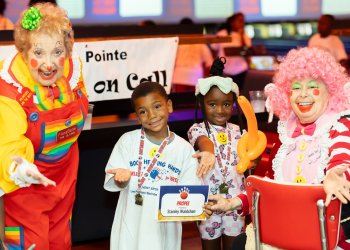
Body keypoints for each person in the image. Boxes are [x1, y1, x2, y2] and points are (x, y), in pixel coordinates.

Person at [206, 47, 350, 249]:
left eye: (313, 87)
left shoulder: (340, 125)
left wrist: (337, 174)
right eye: (296, 88)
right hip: (285, 226)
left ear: (331, 92)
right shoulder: (287, 132)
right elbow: (268, 186)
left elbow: (343, 158)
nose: (303, 95)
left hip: (326, 233)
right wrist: (232, 203)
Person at [0, 3, 89, 249]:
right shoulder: (10, 87)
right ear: (23, 50)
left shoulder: (73, 70)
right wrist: (19, 170)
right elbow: (7, 143)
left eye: (56, 51)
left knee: (61, 242)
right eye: (38, 52)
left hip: (65, 178)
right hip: (26, 190)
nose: (48, 64)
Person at [104, 81, 201, 250]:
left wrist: (193, 205)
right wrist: (121, 179)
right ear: (137, 115)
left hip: (164, 235)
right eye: (143, 111)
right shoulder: (127, 141)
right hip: (129, 233)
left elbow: (190, 195)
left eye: (157, 106)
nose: (152, 115)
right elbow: (115, 182)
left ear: (169, 105)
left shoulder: (185, 150)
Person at [187, 57, 246, 250]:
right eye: (212, 104)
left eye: (226, 104)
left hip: (234, 201)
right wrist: (209, 153)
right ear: (202, 104)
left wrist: (251, 160)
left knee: (234, 246)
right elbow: (203, 142)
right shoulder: (197, 129)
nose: (220, 110)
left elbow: (248, 159)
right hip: (208, 202)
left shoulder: (239, 131)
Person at [211, 12, 252, 90]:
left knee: (238, 94)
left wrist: (242, 36)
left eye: (243, 21)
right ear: (231, 22)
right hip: (225, 71)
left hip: (241, 70)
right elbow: (213, 50)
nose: (242, 23)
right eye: (239, 21)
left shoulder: (245, 36)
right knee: (225, 94)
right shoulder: (222, 34)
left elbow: (247, 53)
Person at [171, 17, 213, 93]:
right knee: (194, 103)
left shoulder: (176, 42)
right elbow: (209, 63)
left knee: (179, 102)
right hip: (195, 75)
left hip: (179, 75)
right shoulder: (200, 43)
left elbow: (171, 62)